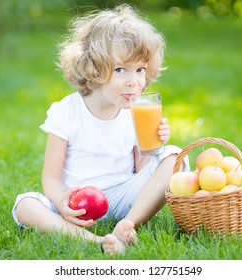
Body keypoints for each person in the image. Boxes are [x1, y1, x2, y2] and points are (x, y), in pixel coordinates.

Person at [12, 4, 189, 256]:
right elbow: (50, 177)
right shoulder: (67, 112)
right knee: (25, 204)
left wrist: (153, 147)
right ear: (94, 69)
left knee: (174, 156)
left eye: (140, 70)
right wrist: (62, 202)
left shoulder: (135, 111)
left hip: (124, 198)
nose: (134, 81)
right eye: (120, 70)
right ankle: (91, 239)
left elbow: (140, 170)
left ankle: (126, 225)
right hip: (77, 202)